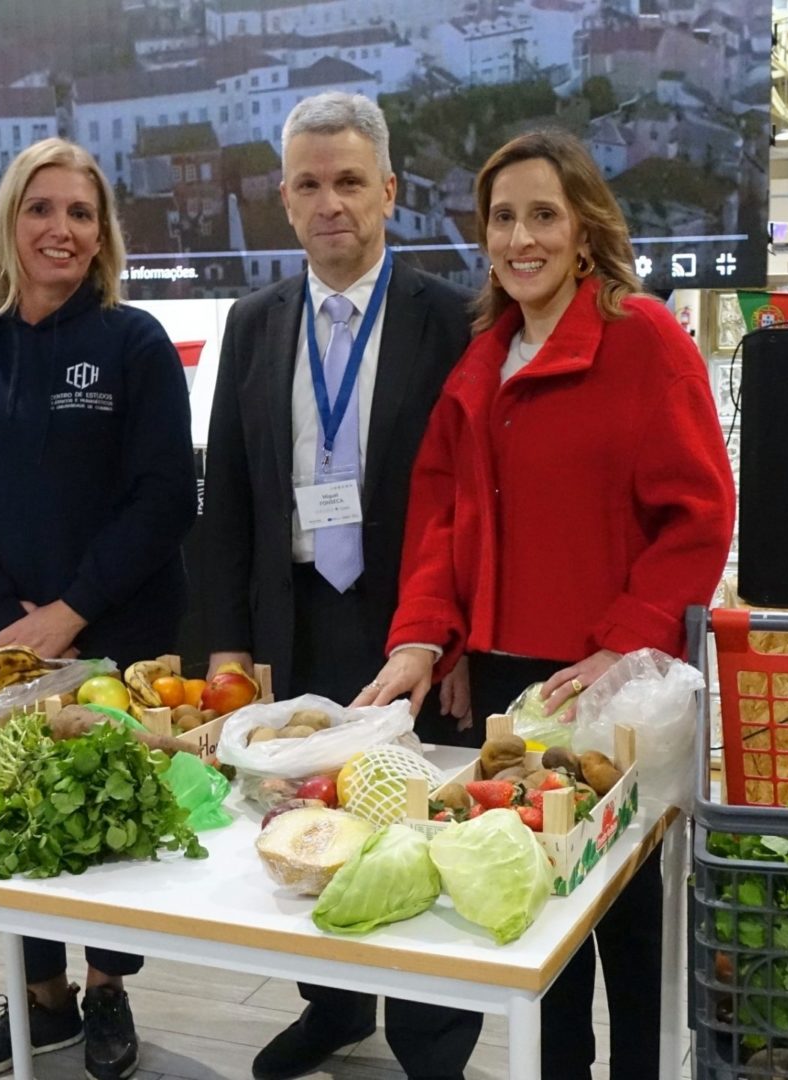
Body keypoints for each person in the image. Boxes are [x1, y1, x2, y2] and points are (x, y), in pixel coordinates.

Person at [356, 130, 736, 1079]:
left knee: (631, 929)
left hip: (619, 692)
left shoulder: (643, 338)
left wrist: (622, 647)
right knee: (544, 925)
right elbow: (442, 522)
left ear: (584, 228)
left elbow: (700, 515)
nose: (520, 237)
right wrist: (422, 642)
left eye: (542, 214)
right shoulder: (483, 363)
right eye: (501, 217)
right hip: (516, 690)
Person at [199, 92, 481, 1080]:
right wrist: (227, 642)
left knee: (414, 826)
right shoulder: (253, 322)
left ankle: (431, 1040)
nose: (332, 204)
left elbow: (480, 497)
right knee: (306, 811)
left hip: (413, 624)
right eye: (310, 184)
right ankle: (333, 1006)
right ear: (284, 200)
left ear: (390, 193)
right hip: (298, 618)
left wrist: (458, 640)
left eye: (351, 182)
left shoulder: (451, 316)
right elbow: (228, 491)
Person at [0, 137, 196, 1080]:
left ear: (103, 232)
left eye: (81, 213)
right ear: (10, 221)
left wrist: (71, 611)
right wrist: (3, 616)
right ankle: (41, 1001)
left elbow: (163, 496)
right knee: (13, 817)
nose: (61, 230)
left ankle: (109, 988)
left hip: (119, 634)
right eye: (42, 209)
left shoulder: (134, 341)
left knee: (110, 812)